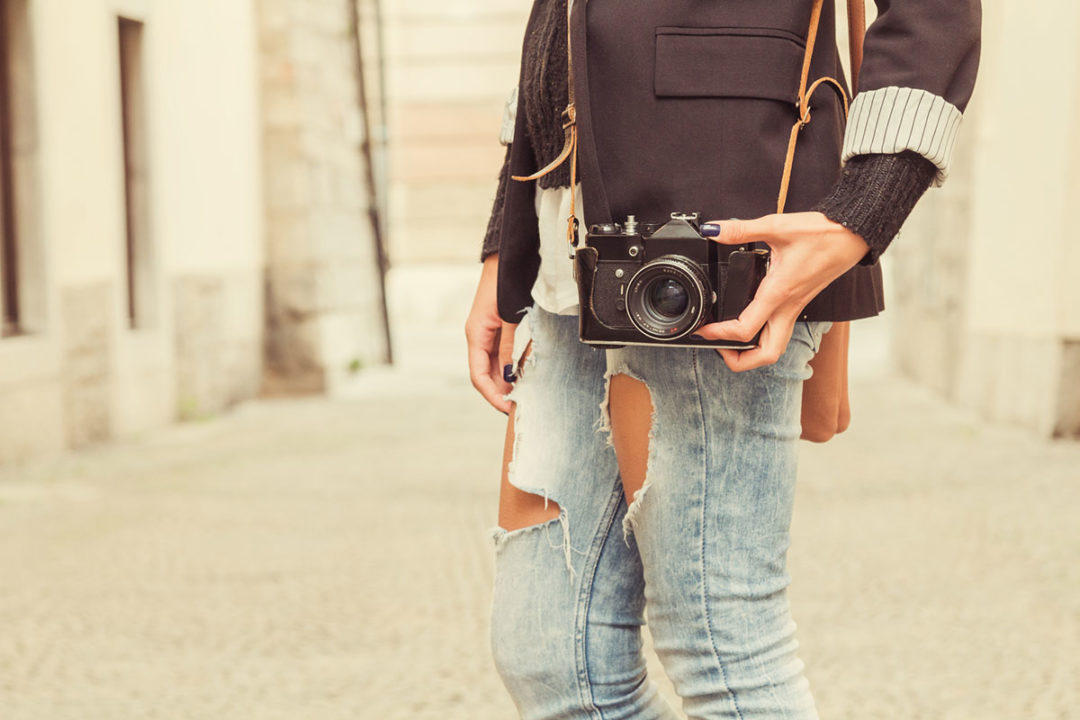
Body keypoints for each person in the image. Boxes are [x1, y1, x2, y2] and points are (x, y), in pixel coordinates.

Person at [465, 1, 981, 717]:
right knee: (552, 658)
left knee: (721, 646)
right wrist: (509, 234)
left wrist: (868, 202)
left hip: (725, 232)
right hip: (569, 243)